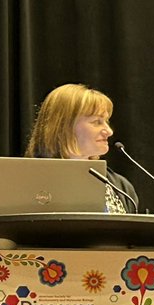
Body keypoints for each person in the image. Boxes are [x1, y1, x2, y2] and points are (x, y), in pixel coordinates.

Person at [25, 82, 140, 213]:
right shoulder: (26, 181)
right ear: (64, 127)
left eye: (106, 121)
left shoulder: (121, 187)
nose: (109, 131)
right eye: (97, 122)